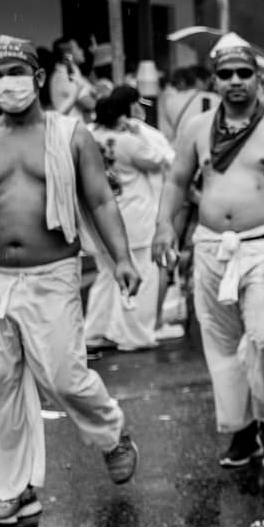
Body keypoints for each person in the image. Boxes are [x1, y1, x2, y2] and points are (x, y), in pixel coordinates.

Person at [0, 38, 141, 527]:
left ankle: (111, 432)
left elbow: (101, 200)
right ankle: (15, 492)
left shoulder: (71, 134)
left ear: (38, 79)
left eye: (15, 71)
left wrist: (123, 258)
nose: (6, 82)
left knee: (63, 376)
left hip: (51, 274)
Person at [153, 34, 264, 474]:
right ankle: (241, 431)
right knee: (222, 345)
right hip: (210, 246)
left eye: (243, 74)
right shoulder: (197, 129)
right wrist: (163, 227)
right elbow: (175, 182)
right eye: (225, 75)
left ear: (258, 78)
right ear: (214, 80)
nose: (235, 82)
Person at [85, 86, 174, 352]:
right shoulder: (129, 142)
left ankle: (96, 331)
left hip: (100, 218)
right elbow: (158, 160)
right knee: (141, 275)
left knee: (106, 276)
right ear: (122, 116)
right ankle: (134, 335)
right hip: (134, 216)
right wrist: (138, 134)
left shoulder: (88, 137)